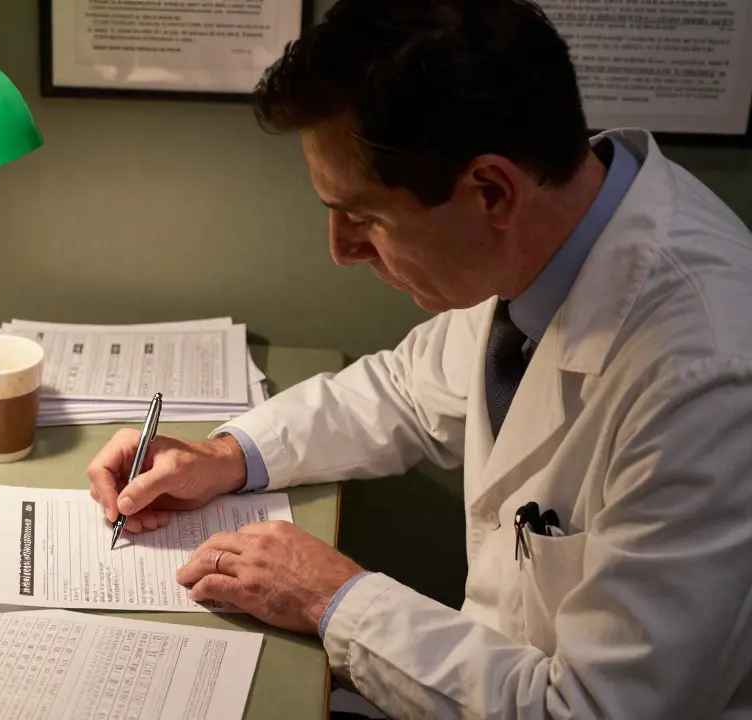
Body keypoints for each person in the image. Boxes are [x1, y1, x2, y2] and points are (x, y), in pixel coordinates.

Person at [86, 0, 752, 716]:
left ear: (490, 191)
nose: (342, 251)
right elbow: (406, 392)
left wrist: (330, 597)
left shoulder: (702, 377)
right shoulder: (548, 237)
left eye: (363, 216)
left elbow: (590, 708)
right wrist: (226, 455)